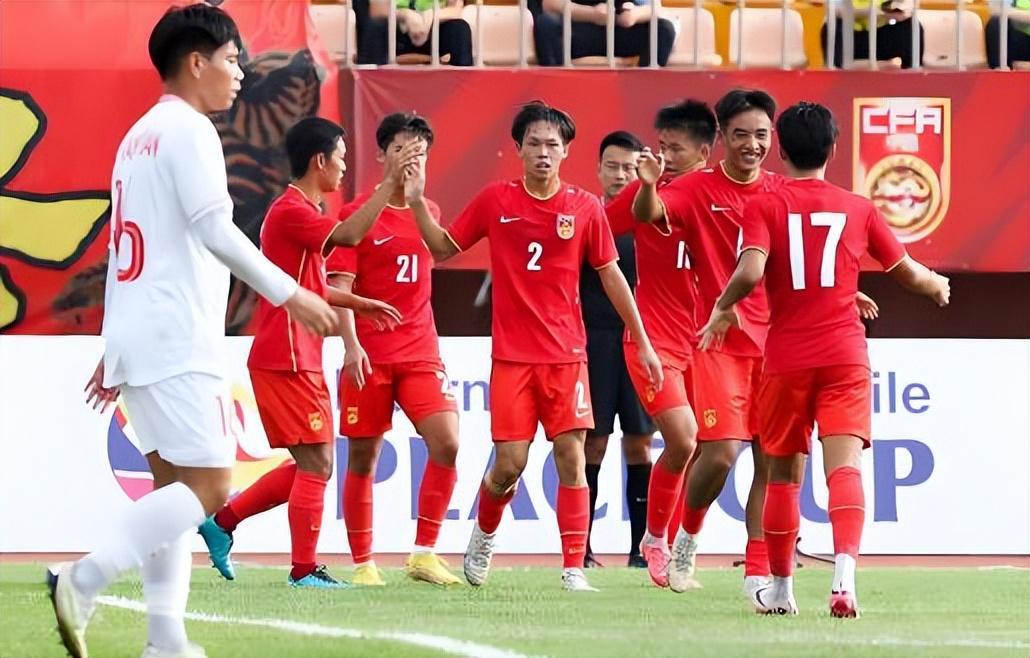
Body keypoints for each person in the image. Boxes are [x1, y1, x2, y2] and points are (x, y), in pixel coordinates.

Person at [47, 6, 338, 658]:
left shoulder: (136, 138)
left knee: (172, 492)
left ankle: (166, 639)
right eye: (232, 59)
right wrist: (292, 293)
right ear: (197, 62)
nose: (240, 73)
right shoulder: (190, 130)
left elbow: (126, 249)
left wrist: (114, 344)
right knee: (208, 490)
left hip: (141, 336)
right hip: (178, 337)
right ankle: (82, 578)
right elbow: (214, 230)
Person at [698, 101, 950, 616]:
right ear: (833, 150)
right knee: (845, 467)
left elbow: (751, 271)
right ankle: (843, 580)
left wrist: (723, 307)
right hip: (844, 355)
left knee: (784, 474)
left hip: (787, 357)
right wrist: (936, 285)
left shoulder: (764, 205)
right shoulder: (857, 207)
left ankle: (781, 591)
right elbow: (906, 271)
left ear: (781, 150)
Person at [412, 101, 663, 592]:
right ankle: (484, 535)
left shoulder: (584, 207)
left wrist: (643, 339)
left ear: (567, 151)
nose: (543, 152)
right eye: (534, 144)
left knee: (571, 456)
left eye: (553, 144)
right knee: (510, 464)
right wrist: (418, 200)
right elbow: (442, 249)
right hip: (512, 360)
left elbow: (611, 275)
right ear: (518, 149)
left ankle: (572, 567)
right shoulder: (496, 200)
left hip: (567, 356)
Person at [197, 117, 418, 588]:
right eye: (341, 157)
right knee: (318, 464)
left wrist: (359, 303)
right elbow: (349, 237)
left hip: (297, 354)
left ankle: (223, 524)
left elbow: (308, 286)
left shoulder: (299, 210)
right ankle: (301, 570)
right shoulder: (292, 211)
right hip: (288, 357)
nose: (344, 167)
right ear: (320, 161)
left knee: (311, 464)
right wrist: (387, 185)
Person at [633, 89, 782, 605]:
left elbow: (800, 253)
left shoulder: (780, 191)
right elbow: (652, 214)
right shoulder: (696, 188)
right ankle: (686, 542)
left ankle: (758, 573)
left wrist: (846, 291)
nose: (752, 144)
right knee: (719, 453)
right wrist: (648, 185)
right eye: (741, 134)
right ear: (722, 138)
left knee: (772, 460)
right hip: (718, 340)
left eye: (761, 134)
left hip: (777, 343)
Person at [327, 113, 462, 587]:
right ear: (382, 154)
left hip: (420, 350)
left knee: (447, 442)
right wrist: (350, 346)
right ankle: (363, 563)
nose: (411, 160)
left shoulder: (430, 211)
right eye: (402, 150)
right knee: (364, 457)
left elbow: (442, 251)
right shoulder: (357, 215)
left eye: (420, 152)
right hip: (371, 354)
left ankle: (424, 553)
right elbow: (339, 287)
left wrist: (418, 201)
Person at [605, 100, 718, 588]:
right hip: (652, 340)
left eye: (677, 149)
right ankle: (653, 540)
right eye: (662, 146)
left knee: (705, 450)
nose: (666, 156)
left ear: (705, 152)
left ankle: (670, 548)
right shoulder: (645, 191)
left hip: (707, 344)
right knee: (683, 438)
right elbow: (596, 230)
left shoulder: (724, 195)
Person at [580, 130, 656, 569]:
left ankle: (640, 551)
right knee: (594, 443)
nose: (620, 175)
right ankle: (582, 549)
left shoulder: (651, 218)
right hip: (594, 342)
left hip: (642, 343)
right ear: (598, 169)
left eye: (629, 168)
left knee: (640, 445)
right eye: (612, 166)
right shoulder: (586, 216)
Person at [530, 0, 675, 67]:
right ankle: (554, 87)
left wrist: (634, 15)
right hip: (578, 31)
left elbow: (654, 7)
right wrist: (592, 14)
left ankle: (644, 86)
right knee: (545, 23)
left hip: (621, 30)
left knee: (664, 28)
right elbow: (550, 4)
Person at [356, 0, 473, 65]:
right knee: (375, 28)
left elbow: (456, 9)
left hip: (432, 31)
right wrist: (405, 15)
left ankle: (463, 94)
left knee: (460, 30)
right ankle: (370, 92)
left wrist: (433, 16)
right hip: (395, 31)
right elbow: (377, 10)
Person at [819, 0, 924, 69]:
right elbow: (834, 9)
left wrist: (899, 12)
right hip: (851, 36)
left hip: (882, 35)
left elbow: (908, 9)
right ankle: (834, 74)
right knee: (832, 26)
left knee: (912, 27)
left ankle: (911, 75)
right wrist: (872, 12)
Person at [986, 0, 1030, 69]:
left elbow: (1000, 11)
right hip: (1020, 41)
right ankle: (998, 69)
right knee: (996, 22)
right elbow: (995, 9)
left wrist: (1006, 12)